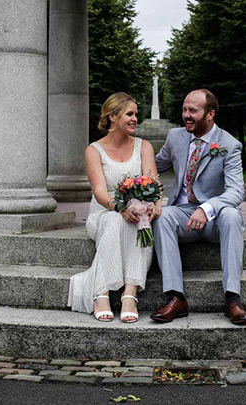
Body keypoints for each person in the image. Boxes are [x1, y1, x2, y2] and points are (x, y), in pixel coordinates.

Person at [151, 89, 246, 325]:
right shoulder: (175, 137)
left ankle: (232, 298)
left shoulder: (229, 144)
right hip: (183, 214)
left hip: (215, 220)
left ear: (210, 114)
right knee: (163, 216)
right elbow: (153, 166)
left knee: (232, 215)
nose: (186, 115)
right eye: (184, 109)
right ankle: (176, 297)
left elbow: (237, 191)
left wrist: (207, 209)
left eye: (193, 110)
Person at [68, 92, 161, 323]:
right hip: (105, 212)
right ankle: (102, 292)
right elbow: (99, 192)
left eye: (135, 114)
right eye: (129, 114)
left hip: (139, 211)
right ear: (112, 116)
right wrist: (119, 207)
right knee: (116, 220)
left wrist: (155, 205)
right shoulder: (94, 150)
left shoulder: (144, 146)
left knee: (142, 220)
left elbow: (154, 182)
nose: (134, 119)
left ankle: (130, 293)